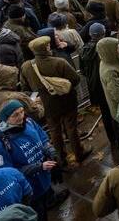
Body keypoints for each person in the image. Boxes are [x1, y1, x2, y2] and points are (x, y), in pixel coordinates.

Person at [0, 101, 64, 220]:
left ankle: (50, 200)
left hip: (43, 178)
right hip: (28, 190)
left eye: (22, 112)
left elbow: (43, 138)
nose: (21, 117)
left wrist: (51, 151)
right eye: (15, 115)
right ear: (4, 118)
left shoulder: (28, 122)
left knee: (45, 206)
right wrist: (38, 167)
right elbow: (5, 174)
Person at [20, 36, 90, 165]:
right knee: (71, 128)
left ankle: (60, 158)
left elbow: (25, 88)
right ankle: (79, 153)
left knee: (54, 131)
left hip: (46, 105)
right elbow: (75, 79)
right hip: (66, 101)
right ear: (45, 48)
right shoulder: (59, 62)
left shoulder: (26, 66)